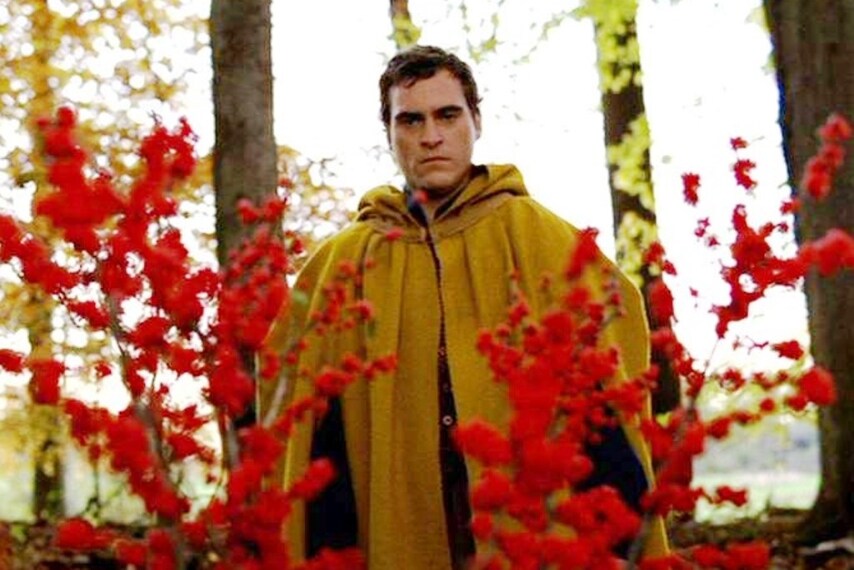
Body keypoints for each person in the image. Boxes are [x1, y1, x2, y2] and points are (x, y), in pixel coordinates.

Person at [263, 45, 668, 569]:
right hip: (394, 526)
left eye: (447, 115)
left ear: (476, 121)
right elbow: (303, 426)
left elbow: (610, 385)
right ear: (388, 133)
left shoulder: (541, 238)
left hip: (527, 526)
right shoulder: (342, 262)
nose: (431, 135)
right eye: (411, 120)